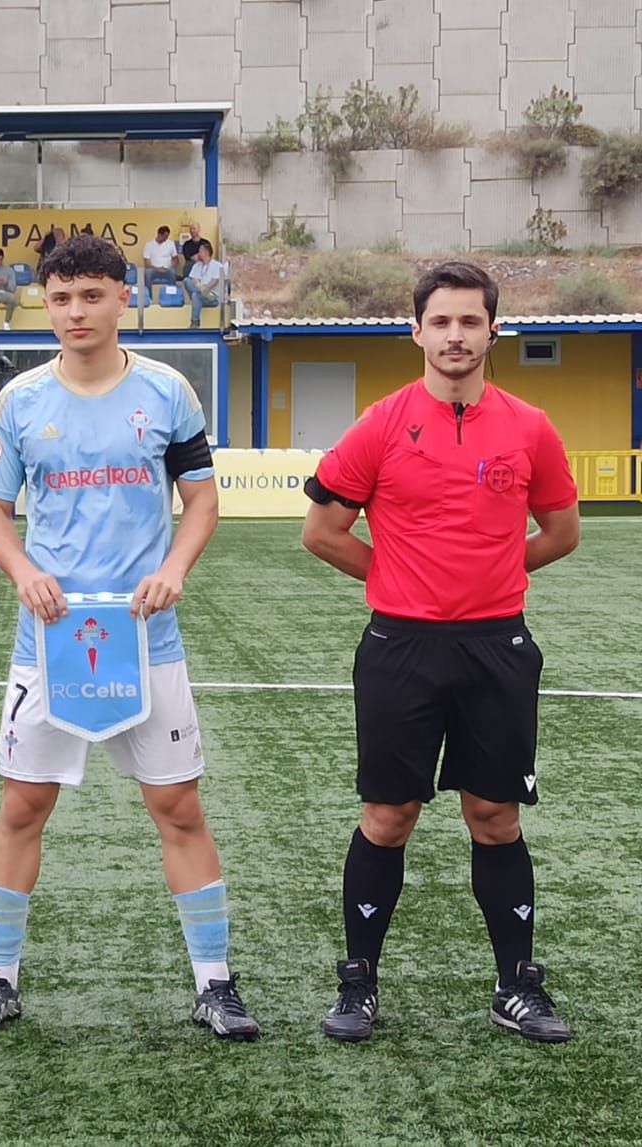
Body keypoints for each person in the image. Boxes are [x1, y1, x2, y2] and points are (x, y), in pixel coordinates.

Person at [0, 234, 259, 1042]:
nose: (75, 312)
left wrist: (175, 568)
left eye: (91, 295)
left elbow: (200, 501)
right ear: (44, 304)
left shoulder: (167, 393)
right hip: (49, 640)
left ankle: (216, 983)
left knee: (178, 804)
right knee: (23, 804)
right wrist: (21, 571)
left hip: (143, 634)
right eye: (60, 298)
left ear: (123, 298)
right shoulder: (19, 400)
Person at [302, 261, 581, 1045]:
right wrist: (399, 579)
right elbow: (322, 531)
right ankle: (358, 982)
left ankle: (515, 984)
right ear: (416, 330)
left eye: (470, 321)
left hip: (497, 646)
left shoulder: (530, 427)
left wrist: (490, 574)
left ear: (494, 329)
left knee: (494, 816)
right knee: (388, 816)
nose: (455, 335)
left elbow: (560, 532)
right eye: (441, 321)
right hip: (400, 646)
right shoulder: (382, 423)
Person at [183, 241, 225, 328]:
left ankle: (195, 323)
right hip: (200, 292)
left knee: (196, 295)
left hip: (211, 296)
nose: (198, 254)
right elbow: (193, 278)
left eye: (200, 251)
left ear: (206, 252)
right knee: (187, 281)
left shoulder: (217, 265)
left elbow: (215, 281)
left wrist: (205, 288)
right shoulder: (197, 265)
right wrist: (199, 287)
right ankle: (195, 323)